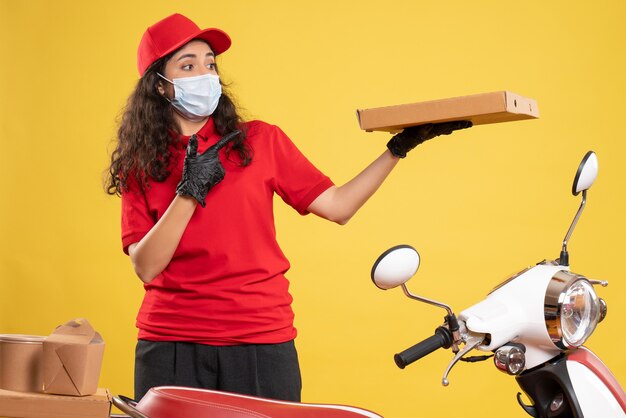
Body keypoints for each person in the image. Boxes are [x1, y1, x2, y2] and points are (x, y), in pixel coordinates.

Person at [105, 13, 472, 402]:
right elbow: (145, 265)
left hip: (260, 341)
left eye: (210, 63)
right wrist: (188, 192)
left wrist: (397, 149)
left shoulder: (260, 141)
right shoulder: (141, 163)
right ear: (160, 87)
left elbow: (338, 206)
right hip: (171, 344)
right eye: (188, 65)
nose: (205, 74)